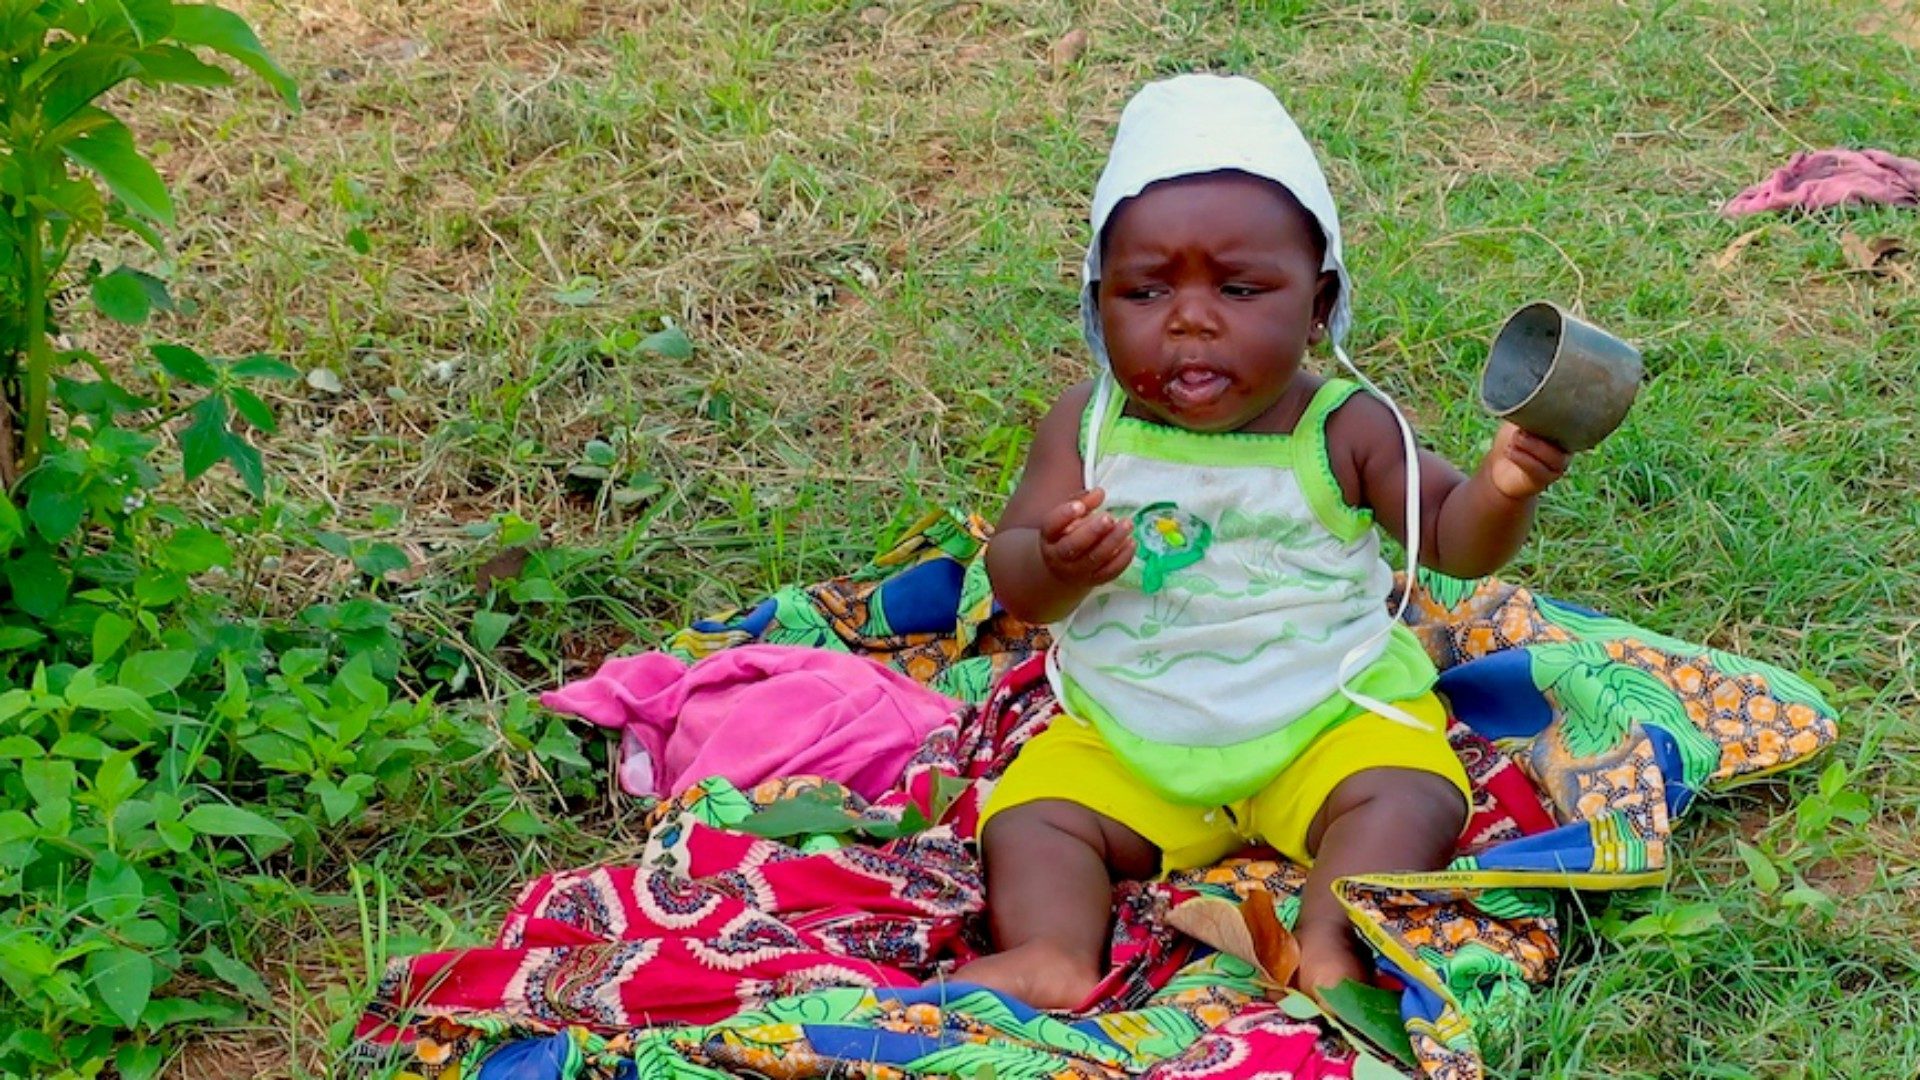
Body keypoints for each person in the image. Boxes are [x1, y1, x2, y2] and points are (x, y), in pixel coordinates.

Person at [954, 74, 1572, 1010]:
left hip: (1324, 718)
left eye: (1240, 288)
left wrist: (1503, 487)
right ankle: (1051, 951)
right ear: (1097, 303)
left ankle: (1325, 943)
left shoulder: (1345, 426)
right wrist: (1056, 562)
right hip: (1132, 730)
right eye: (1145, 290)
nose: (1190, 319)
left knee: (1411, 794)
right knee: (1030, 818)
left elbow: (1452, 539)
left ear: (1319, 303)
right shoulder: (1088, 427)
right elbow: (1016, 580)